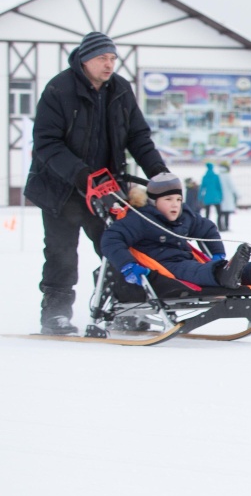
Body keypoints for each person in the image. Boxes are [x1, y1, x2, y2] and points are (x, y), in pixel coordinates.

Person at [24, 31, 169, 334]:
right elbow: (46, 142)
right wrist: (81, 175)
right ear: (85, 59)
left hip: (106, 188)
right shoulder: (59, 89)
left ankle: (125, 307)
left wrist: (158, 173)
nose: (109, 64)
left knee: (116, 246)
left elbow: (138, 137)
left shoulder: (120, 90)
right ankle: (55, 313)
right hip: (61, 187)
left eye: (113, 58)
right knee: (61, 251)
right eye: (103, 58)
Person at [100, 172, 251, 291]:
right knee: (197, 271)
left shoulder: (184, 216)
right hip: (163, 268)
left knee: (201, 268)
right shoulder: (140, 219)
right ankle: (225, 273)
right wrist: (128, 265)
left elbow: (207, 229)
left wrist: (217, 255)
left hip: (187, 260)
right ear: (153, 202)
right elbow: (111, 240)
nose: (175, 204)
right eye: (168, 199)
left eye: (178, 199)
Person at [216, 163, 237, 231]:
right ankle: (226, 226)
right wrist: (237, 194)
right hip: (227, 197)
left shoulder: (218, 176)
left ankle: (220, 227)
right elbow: (232, 187)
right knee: (227, 213)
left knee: (220, 213)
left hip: (219, 197)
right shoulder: (227, 176)